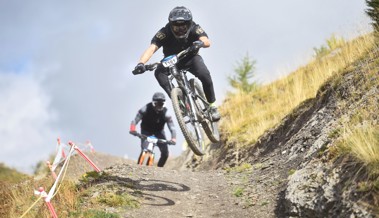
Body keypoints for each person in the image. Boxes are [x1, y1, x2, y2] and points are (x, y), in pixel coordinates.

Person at [132, 6, 221, 121]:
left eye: (183, 26)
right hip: (171, 61)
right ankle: (178, 101)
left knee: (204, 75)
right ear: (170, 24)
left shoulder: (194, 27)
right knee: (158, 72)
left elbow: (206, 41)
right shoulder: (164, 32)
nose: (180, 29)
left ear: (188, 24)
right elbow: (151, 49)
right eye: (176, 26)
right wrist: (141, 63)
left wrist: (200, 43)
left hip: (191, 57)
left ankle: (212, 106)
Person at [129, 92, 176, 167]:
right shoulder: (145, 108)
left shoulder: (166, 113)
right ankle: (138, 167)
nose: (159, 106)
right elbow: (135, 120)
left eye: (161, 104)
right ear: (153, 103)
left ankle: (159, 169)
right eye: (157, 103)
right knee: (145, 149)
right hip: (146, 131)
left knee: (165, 153)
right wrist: (132, 129)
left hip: (159, 132)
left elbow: (172, 127)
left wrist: (173, 138)